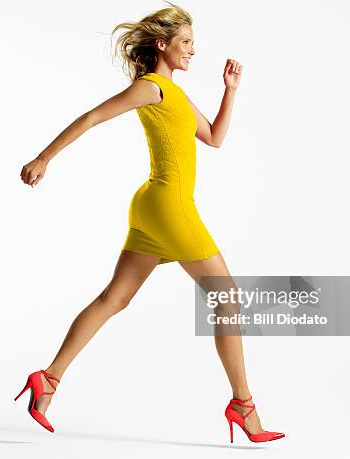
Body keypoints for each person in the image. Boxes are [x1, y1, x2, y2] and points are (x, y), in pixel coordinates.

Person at [17, 2, 284, 443]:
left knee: (114, 300)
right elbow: (92, 116)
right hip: (170, 207)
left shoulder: (175, 94)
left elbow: (214, 138)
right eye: (186, 43)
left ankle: (48, 380)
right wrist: (44, 157)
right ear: (162, 44)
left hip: (153, 207)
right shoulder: (151, 88)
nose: (193, 51)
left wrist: (230, 90)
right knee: (228, 299)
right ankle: (243, 406)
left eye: (194, 43)